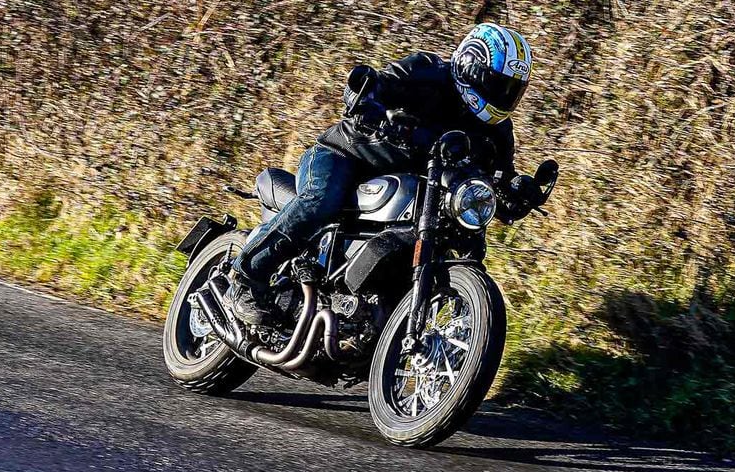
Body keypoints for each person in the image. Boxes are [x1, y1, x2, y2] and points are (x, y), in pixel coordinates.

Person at [224, 22, 534, 326]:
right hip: (348, 155)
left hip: (421, 189)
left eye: (511, 90)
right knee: (321, 201)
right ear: (470, 64)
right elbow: (373, 84)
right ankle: (247, 276)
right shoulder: (426, 71)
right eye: (497, 83)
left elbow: (500, 179)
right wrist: (368, 103)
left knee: (466, 240)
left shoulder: (497, 131)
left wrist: (518, 193)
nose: (503, 95)